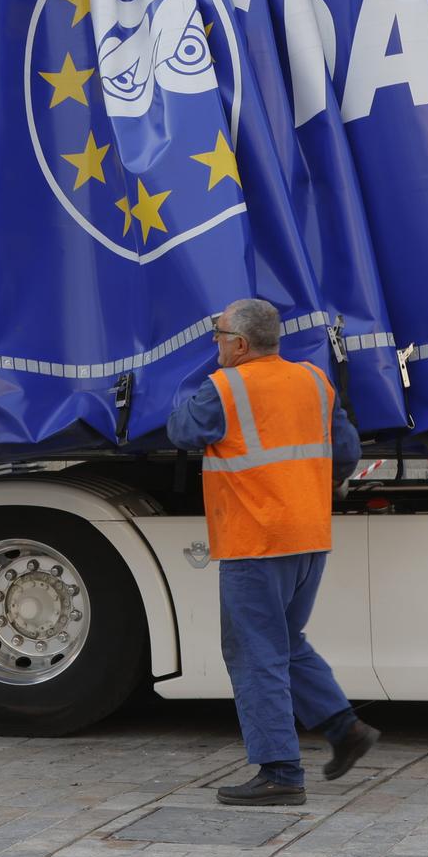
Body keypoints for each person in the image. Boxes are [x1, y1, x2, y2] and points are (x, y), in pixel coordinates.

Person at [167, 297, 378, 807]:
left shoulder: (224, 388)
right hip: (308, 535)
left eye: (217, 334)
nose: (214, 343)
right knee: (284, 640)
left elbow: (182, 430)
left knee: (253, 652)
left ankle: (281, 772)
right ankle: (343, 728)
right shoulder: (314, 381)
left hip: (255, 540)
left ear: (239, 344)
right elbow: (345, 452)